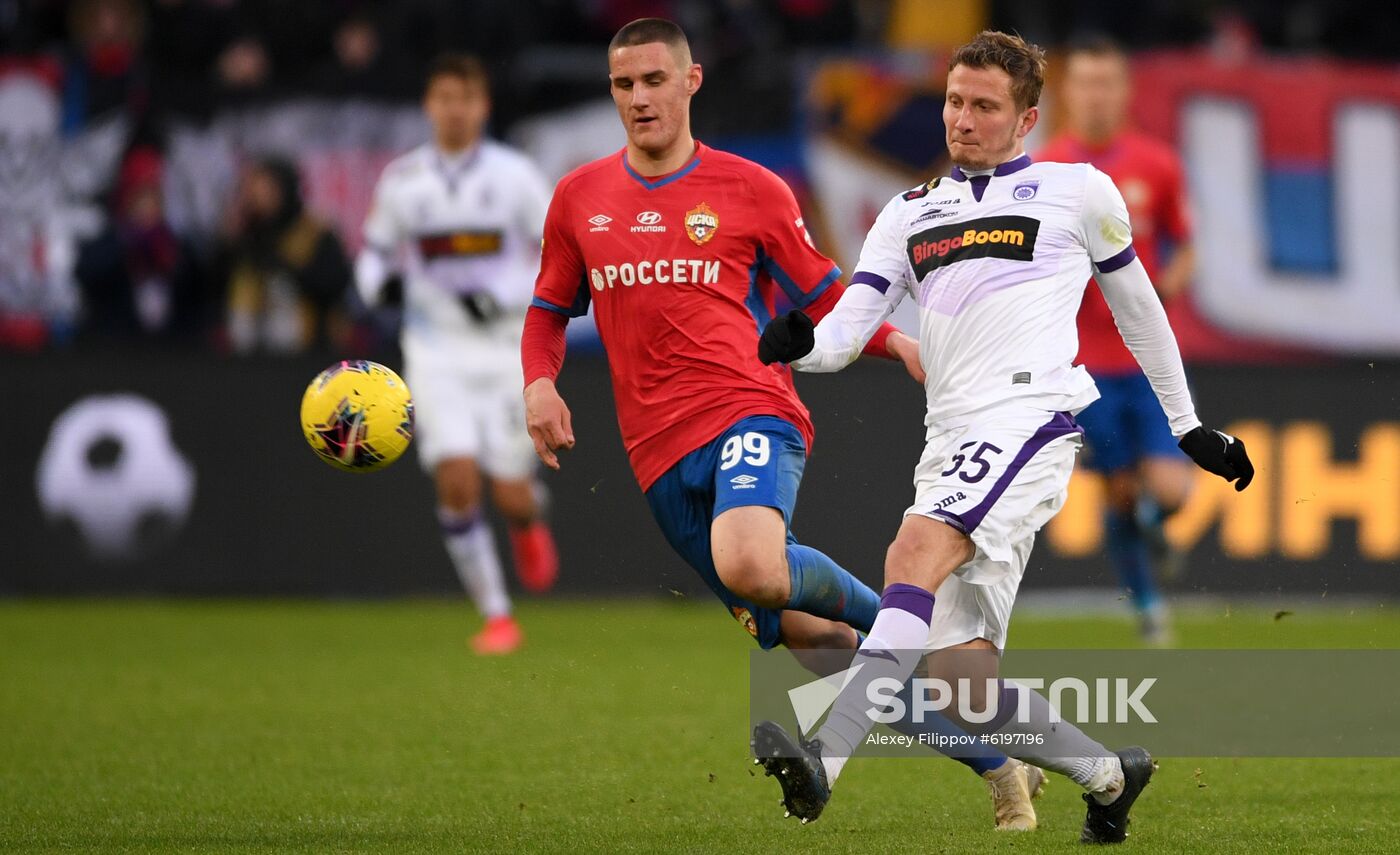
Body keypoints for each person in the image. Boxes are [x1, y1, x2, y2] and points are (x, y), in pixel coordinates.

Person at [522, 17, 1045, 831]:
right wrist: (538, 385)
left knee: (754, 563)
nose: (638, 99)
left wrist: (893, 339)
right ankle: (1002, 764)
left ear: (691, 82)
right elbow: (550, 308)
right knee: (823, 652)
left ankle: (910, 621)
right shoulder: (579, 197)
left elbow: (829, 296)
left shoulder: (752, 190)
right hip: (657, 456)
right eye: (624, 85)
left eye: (654, 80)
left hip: (751, 406)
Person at [750, 31, 1253, 844]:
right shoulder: (908, 213)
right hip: (949, 437)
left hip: (1031, 419)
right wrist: (797, 346)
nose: (964, 119)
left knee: (911, 555)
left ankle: (824, 760)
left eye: (985, 106)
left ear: (1026, 120)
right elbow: (844, 335)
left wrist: (1188, 424)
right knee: (962, 682)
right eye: (954, 101)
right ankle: (1111, 776)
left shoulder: (1078, 190)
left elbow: (1140, 311)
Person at [356, 54, 560, 656]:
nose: (454, 109)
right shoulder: (403, 181)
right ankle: (497, 615)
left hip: (505, 348)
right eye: (443, 97)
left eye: (465, 98)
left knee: (509, 491)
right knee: (456, 477)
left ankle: (526, 520)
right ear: (429, 105)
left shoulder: (515, 176)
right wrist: (380, 288)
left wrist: (501, 296)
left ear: (482, 106)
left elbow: (560, 257)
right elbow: (371, 253)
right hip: (434, 347)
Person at [1038, 36, 1196, 645]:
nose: (1096, 95)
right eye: (1085, 82)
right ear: (1068, 92)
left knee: (1170, 488)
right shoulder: (1047, 172)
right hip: (1086, 365)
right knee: (1121, 488)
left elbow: (1186, 243)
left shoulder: (1158, 165)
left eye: (1107, 82)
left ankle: (1156, 527)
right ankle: (1150, 608)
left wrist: (1164, 291)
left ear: (1124, 92)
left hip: (1150, 359)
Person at [223, 156, 350, 354]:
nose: (260, 198)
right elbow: (212, 285)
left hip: (307, 341)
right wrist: (229, 242)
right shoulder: (248, 233)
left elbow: (335, 283)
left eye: (268, 190)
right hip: (248, 345)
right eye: (255, 191)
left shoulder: (315, 231)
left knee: (281, 288)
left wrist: (288, 269)